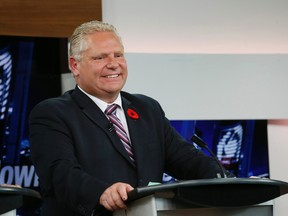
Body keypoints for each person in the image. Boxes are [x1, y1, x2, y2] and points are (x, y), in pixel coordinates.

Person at [29, 20, 233, 216]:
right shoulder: (52, 113)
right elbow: (60, 173)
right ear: (75, 66)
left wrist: (226, 180)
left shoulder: (146, 108)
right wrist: (102, 193)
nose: (113, 64)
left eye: (118, 55)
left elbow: (184, 158)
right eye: (100, 57)